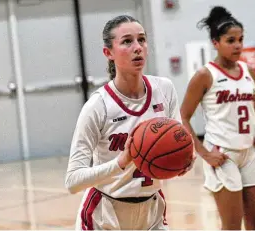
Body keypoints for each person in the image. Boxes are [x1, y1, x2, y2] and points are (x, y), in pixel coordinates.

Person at [65, 15, 194, 230]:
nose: (138, 47)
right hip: (105, 214)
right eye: (127, 41)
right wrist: (121, 162)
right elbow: (73, 181)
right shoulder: (98, 106)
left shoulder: (164, 89)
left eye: (142, 40)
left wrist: (184, 159)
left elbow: (179, 139)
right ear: (109, 53)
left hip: (151, 209)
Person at [181, 6, 255, 230]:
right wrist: (204, 154)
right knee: (231, 225)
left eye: (241, 39)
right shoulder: (205, 75)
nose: (238, 45)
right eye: (231, 40)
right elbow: (183, 116)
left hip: (251, 152)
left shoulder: (247, 71)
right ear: (215, 43)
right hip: (223, 155)